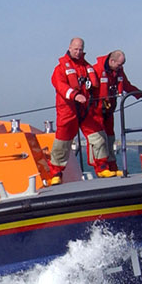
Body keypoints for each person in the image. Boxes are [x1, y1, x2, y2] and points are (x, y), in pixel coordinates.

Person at [47, 37, 112, 184]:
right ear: (70, 48)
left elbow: (96, 86)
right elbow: (60, 85)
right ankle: (56, 173)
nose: (78, 52)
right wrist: (75, 95)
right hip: (68, 110)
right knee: (62, 142)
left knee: (98, 137)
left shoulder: (87, 67)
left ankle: (102, 168)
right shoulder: (61, 68)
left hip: (87, 110)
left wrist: (103, 102)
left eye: (80, 49)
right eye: (75, 49)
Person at [93, 50, 142, 166]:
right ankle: (101, 167)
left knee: (110, 137)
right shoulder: (97, 70)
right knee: (99, 139)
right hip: (96, 111)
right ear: (111, 61)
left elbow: (126, 85)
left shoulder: (118, 72)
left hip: (109, 110)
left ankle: (112, 165)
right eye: (119, 65)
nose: (121, 67)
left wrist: (140, 94)